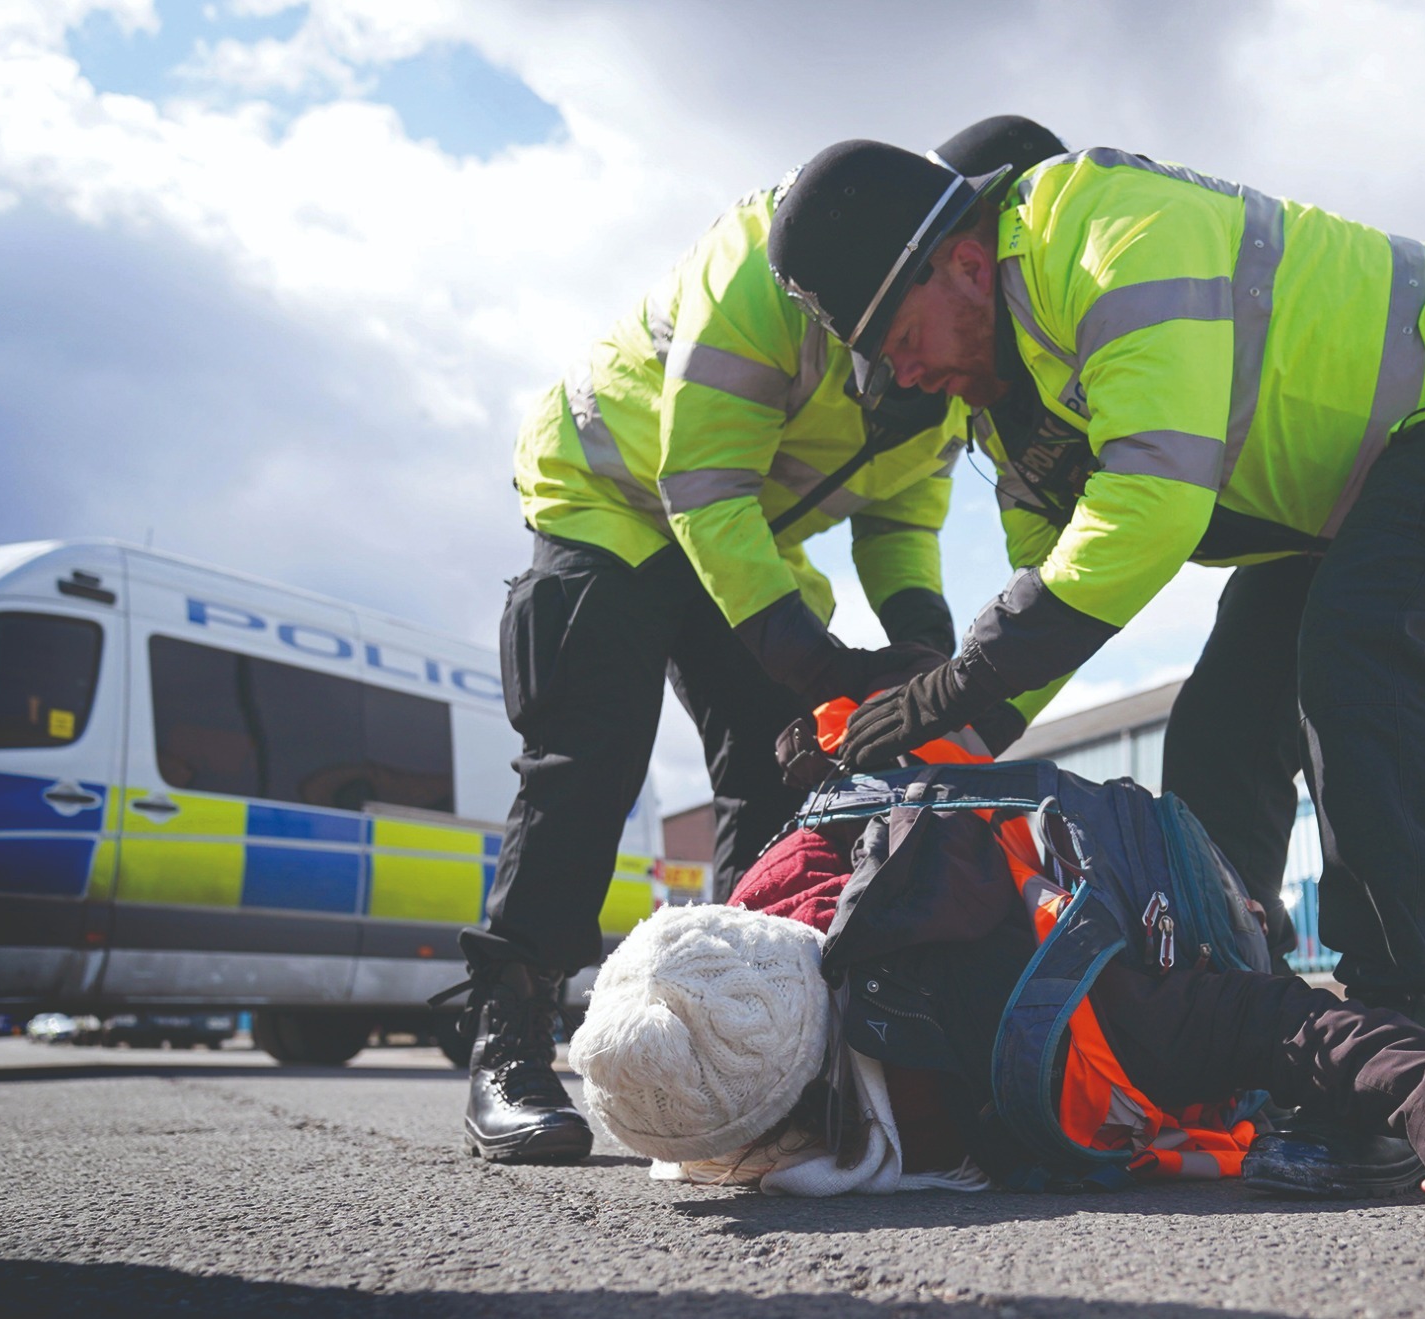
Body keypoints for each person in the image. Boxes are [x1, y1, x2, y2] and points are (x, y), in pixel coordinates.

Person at [766, 140, 1425, 1034]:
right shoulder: (1015, 413)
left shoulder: (1104, 230)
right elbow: (1054, 598)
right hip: (1347, 499)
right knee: (1222, 725)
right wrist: (909, 743)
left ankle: (1394, 1021)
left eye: (899, 341)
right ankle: (1238, 1008)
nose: (903, 377)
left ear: (968, 265)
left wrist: (954, 682)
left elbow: (1153, 500)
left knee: (1356, 653)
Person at [452, 117, 1070, 1165]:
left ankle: (749, 1038)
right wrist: (815, 658)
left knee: (778, 767)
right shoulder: (769, 267)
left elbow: (902, 517)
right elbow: (702, 479)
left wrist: (921, 646)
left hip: (744, 536)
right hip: (618, 495)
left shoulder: (946, 342)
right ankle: (507, 1035)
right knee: (589, 751)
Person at [570, 825, 1425, 1210]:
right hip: (1064, 881)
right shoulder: (763, 908)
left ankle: (1259, 908)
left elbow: (1282, 1021)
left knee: (1244, 952)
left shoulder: (1065, 1007)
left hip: (1162, 910)